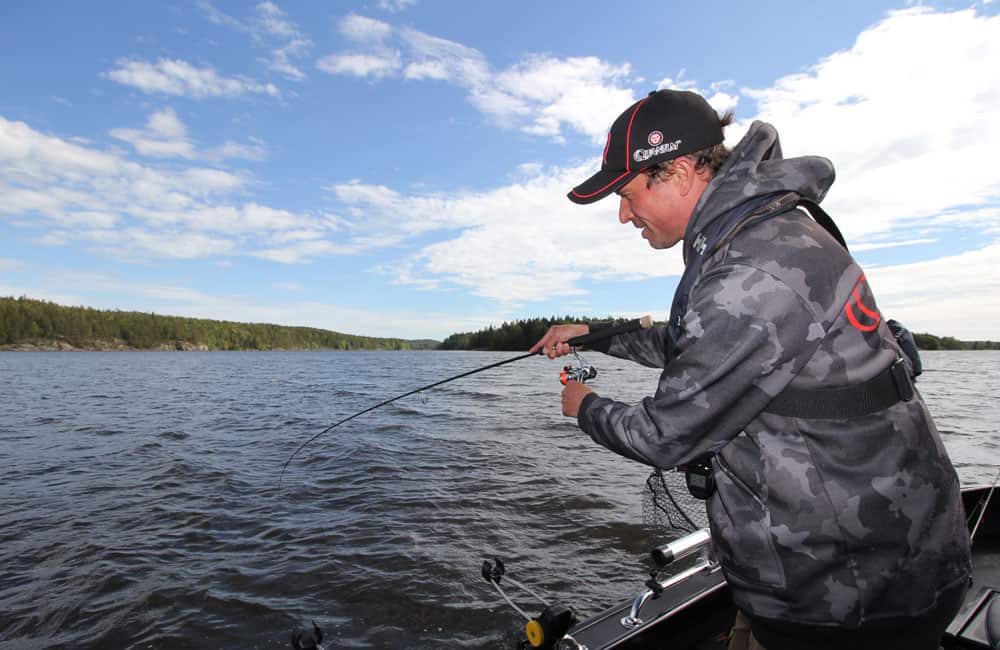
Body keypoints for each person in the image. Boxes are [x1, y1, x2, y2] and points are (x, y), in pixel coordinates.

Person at [530, 90, 971, 650]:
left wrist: (584, 407)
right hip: (872, 562)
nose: (623, 214)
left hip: (850, 594)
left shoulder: (750, 268)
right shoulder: (766, 233)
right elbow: (701, 342)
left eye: (627, 192)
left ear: (680, 171)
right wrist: (591, 338)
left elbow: (666, 434)